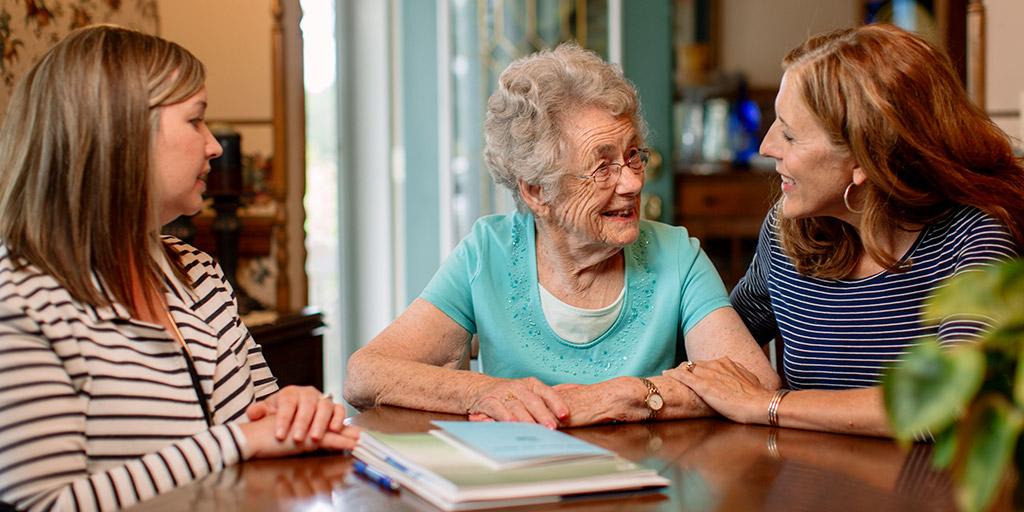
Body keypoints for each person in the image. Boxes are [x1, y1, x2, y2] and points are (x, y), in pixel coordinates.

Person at [0, 25, 359, 511]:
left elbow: (264, 415)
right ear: (121, 133)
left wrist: (297, 410)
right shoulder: (20, 300)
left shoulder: (198, 274)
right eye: (195, 121)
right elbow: (44, 504)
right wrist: (241, 442)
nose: (213, 146)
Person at [344, 43, 779, 428]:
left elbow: (755, 383)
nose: (630, 183)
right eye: (602, 165)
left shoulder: (676, 257)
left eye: (633, 156)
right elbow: (365, 374)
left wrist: (626, 395)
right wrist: (483, 391)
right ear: (537, 190)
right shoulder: (488, 253)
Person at [663, 24, 1024, 437]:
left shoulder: (977, 237)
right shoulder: (788, 231)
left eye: (790, 134)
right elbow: (721, 355)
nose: (765, 146)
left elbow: (955, 403)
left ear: (863, 160)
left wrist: (769, 405)